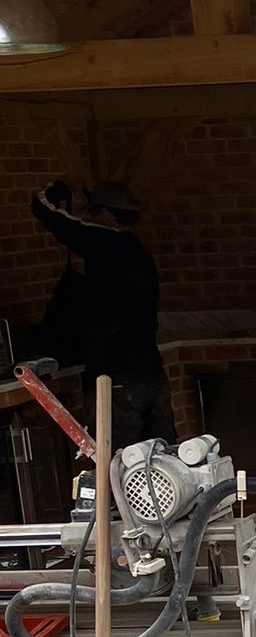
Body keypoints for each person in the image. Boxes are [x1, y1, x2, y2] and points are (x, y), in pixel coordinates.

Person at [30, 178, 176, 449]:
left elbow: (45, 211)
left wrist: (56, 187)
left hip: (118, 380)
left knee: (117, 467)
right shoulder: (137, 252)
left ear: (107, 214)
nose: (88, 218)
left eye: (92, 212)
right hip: (150, 375)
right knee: (162, 465)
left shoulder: (106, 242)